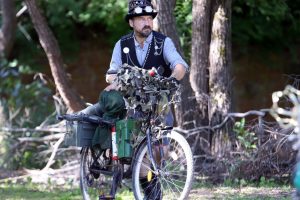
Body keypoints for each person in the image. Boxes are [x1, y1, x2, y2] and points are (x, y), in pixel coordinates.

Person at [105, 0, 189, 127]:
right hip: (131, 106)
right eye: (141, 19)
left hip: (159, 105)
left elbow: (180, 66)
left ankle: (162, 147)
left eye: (149, 18)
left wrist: (170, 80)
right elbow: (110, 74)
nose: (147, 23)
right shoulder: (121, 44)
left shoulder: (163, 42)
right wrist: (121, 82)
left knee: (161, 144)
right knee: (126, 141)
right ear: (131, 22)